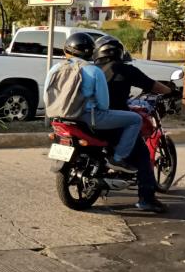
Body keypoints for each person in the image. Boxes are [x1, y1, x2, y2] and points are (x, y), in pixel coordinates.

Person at [94, 35, 173, 213]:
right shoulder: (126, 70)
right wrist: (171, 90)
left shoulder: (91, 69)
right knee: (143, 155)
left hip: (88, 120)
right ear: (119, 52)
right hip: (114, 121)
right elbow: (153, 85)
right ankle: (147, 199)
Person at [45, 32, 141, 173]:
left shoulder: (55, 69)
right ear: (91, 52)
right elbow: (104, 104)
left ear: (66, 50)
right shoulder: (94, 71)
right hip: (88, 117)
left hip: (59, 118)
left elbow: (47, 95)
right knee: (135, 119)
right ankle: (118, 158)